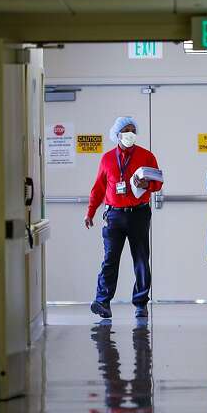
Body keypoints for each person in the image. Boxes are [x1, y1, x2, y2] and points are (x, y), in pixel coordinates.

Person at [85, 116, 163, 319]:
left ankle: (140, 303)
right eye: (126, 130)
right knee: (110, 260)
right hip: (114, 216)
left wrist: (148, 185)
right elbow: (98, 189)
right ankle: (102, 302)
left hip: (139, 214)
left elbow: (158, 182)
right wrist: (90, 212)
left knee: (140, 259)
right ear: (117, 134)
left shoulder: (147, 156)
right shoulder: (107, 159)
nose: (130, 134)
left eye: (133, 130)